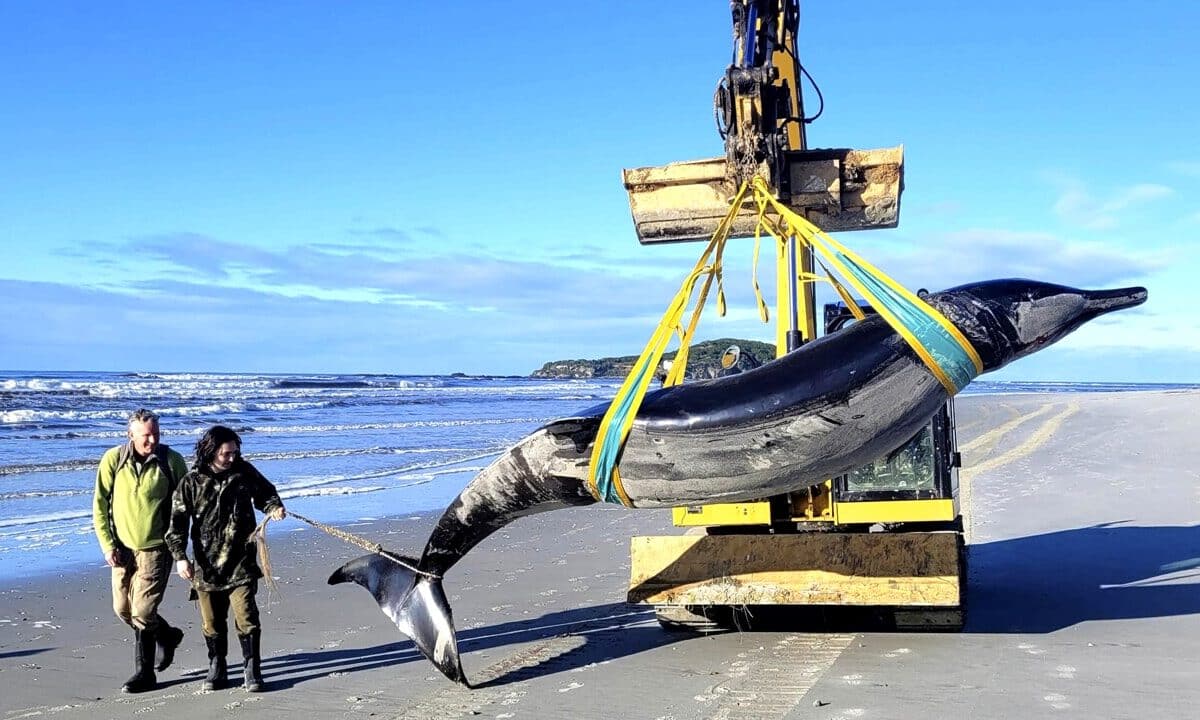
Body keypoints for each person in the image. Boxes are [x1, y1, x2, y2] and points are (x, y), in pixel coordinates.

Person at [166, 425, 286, 693]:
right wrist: (180, 558)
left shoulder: (244, 472)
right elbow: (177, 524)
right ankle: (217, 665)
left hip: (241, 561)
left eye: (235, 452)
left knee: (246, 616)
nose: (232, 458)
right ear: (210, 451)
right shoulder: (191, 482)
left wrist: (274, 507)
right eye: (226, 454)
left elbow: (266, 493)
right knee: (211, 622)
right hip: (206, 567)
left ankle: (252, 668)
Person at [92, 408, 190, 694]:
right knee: (122, 609)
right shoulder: (114, 459)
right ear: (131, 434)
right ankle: (168, 635)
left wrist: (181, 549)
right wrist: (108, 544)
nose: (151, 440)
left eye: (156, 434)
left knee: (143, 611)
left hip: (156, 549)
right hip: (121, 549)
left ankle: (144, 674)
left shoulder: (171, 461)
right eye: (146, 435)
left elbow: (185, 507)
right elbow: (99, 505)